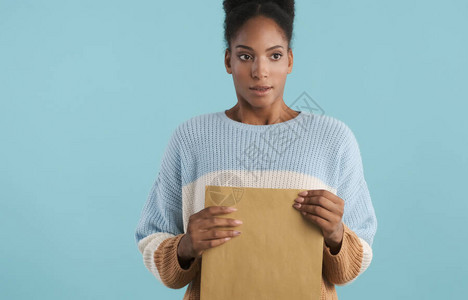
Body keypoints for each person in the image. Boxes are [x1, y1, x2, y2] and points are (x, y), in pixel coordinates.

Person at [134, 1, 377, 299]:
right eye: (245, 56)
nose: (260, 72)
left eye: (274, 55)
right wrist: (186, 246)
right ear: (228, 61)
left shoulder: (333, 139)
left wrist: (337, 235)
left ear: (289, 60)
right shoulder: (191, 138)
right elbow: (151, 237)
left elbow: (353, 264)